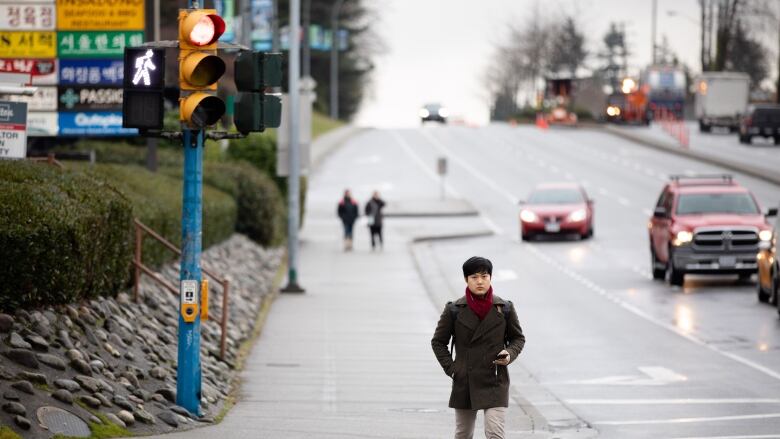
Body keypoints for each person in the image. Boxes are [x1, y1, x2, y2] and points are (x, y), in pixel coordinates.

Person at [431, 256, 525, 439]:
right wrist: (453, 369)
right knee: (463, 434)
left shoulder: (504, 308)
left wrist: (509, 354)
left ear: (490, 278)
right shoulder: (454, 310)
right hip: (465, 381)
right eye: (474, 277)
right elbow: (438, 342)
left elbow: (518, 339)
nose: (480, 281)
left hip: (495, 380)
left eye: (484, 276)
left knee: (495, 434)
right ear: (466, 280)